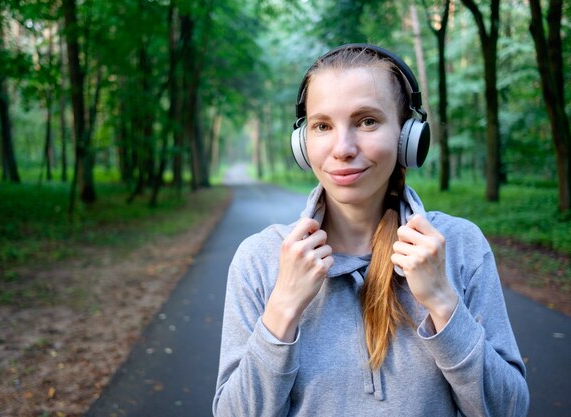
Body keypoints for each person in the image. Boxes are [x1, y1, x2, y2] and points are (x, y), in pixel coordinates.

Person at [212, 43, 529, 416]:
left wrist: (443, 302)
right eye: (322, 126)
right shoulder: (260, 257)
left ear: (408, 136)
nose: (343, 148)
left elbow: (508, 409)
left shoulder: (459, 245)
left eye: (367, 121)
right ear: (303, 142)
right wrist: (282, 308)